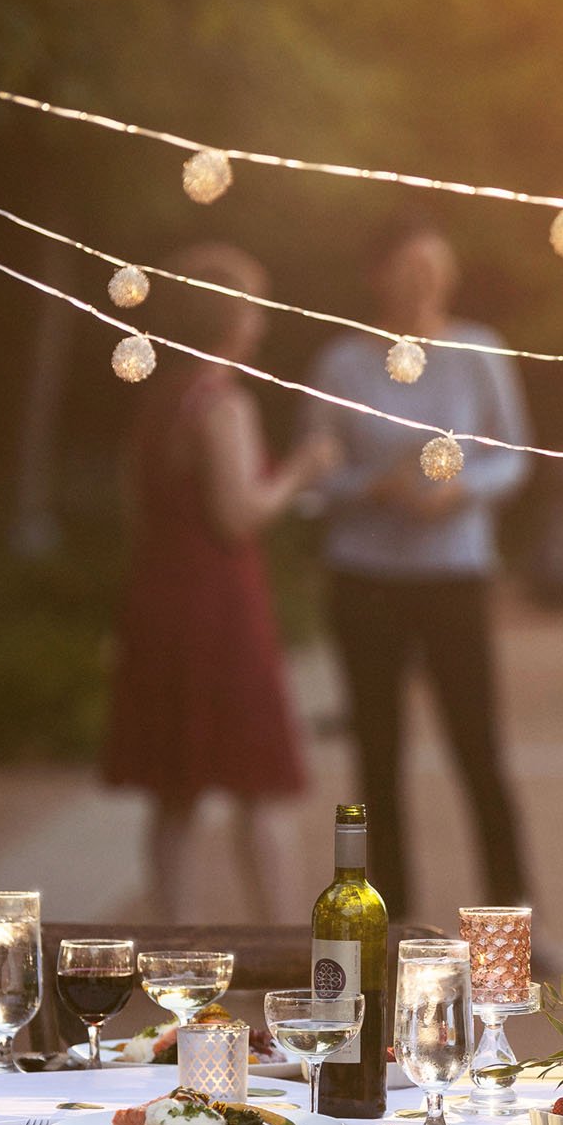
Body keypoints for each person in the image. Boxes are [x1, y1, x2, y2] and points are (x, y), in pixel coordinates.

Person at [298, 218, 535, 918]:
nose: (424, 283)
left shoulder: (480, 350)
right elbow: (311, 481)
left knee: (479, 745)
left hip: (455, 574)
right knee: (376, 756)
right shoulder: (339, 362)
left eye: (435, 269)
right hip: (365, 577)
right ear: (378, 276)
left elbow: (516, 455)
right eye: (408, 269)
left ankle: (510, 911)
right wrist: (375, 490)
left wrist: (462, 491)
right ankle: (387, 916)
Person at [101, 243, 330, 921]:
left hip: (158, 597)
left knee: (175, 789)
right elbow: (238, 516)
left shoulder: (158, 404)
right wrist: (302, 469)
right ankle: (288, 947)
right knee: (259, 785)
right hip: (220, 607)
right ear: (234, 319)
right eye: (253, 309)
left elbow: (137, 507)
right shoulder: (222, 404)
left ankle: (171, 945)